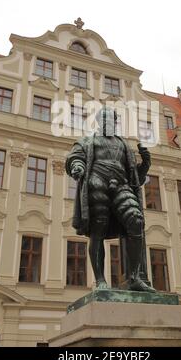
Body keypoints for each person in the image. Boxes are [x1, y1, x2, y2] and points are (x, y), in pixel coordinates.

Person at [65, 106, 156, 292]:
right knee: (98, 229)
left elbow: (135, 177)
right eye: (105, 120)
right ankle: (100, 281)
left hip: (121, 185)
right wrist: (77, 167)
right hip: (97, 182)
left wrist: (145, 163)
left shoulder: (124, 145)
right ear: (99, 122)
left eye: (112, 120)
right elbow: (75, 157)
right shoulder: (89, 141)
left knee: (136, 221)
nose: (109, 123)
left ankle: (134, 277)